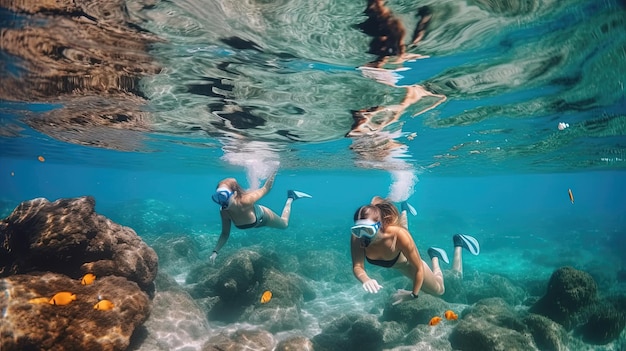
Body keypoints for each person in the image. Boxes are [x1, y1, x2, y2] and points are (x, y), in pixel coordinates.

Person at [350, 197, 479, 304]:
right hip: (397, 258)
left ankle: (452, 247)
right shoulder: (358, 237)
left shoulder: (398, 235)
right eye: (358, 229)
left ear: (379, 225)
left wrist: (413, 295)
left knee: (439, 291)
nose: (363, 235)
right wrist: (366, 279)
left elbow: (418, 268)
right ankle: (404, 209)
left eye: (368, 230)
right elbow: (358, 266)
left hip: (408, 265)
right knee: (403, 227)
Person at [209, 173, 311, 264]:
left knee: (284, 224)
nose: (221, 201)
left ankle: (291, 197)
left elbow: (266, 188)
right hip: (255, 223)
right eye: (218, 197)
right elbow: (225, 233)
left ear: (235, 194)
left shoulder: (246, 201)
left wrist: (273, 170)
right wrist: (215, 252)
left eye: (224, 196)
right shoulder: (224, 211)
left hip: (264, 217)